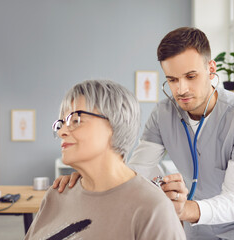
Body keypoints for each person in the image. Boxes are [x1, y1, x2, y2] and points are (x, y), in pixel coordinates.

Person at [53, 28, 234, 240]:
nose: (181, 89)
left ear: (211, 69)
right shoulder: (163, 114)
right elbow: (137, 168)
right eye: (173, 80)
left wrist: (184, 209)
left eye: (191, 76)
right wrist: (92, 178)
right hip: (193, 223)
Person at [25, 80, 186, 240]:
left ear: (115, 124)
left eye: (75, 120)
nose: (61, 132)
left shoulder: (153, 209)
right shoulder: (56, 194)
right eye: (61, 123)